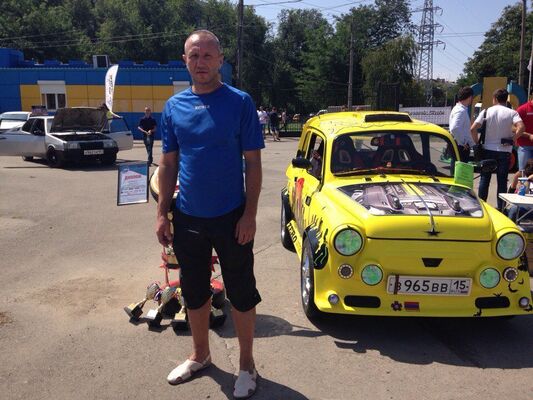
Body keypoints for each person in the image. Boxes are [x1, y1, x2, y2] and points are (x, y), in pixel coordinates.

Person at [156, 30, 264, 399]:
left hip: (231, 216)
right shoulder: (174, 107)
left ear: (220, 60)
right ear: (184, 60)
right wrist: (162, 214)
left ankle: (246, 365)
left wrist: (249, 215)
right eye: (194, 55)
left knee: (241, 292)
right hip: (188, 217)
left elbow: (253, 163)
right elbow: (168, 164)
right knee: (194, 291)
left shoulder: (240, 102)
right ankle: (200, 355)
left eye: (207, 55)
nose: (200, 62)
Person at [470, 88, 525, 210]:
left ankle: (482, 207)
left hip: (487, 149)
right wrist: (513, 139)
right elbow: (521, 127)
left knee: (485, 179)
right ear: (506, 99)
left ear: (494, 98)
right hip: (504, 151)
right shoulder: (512, 113)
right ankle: (501, 208)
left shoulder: (486, 112)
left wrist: (476, 142)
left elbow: (473, 128)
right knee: (502, 181)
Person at [449, 86, 475, 164]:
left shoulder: (458, 108)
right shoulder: (461, 111)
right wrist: (463, 142)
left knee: (456, 167)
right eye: (472, 97)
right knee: (460, 168)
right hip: (460, 146)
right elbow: (454, 128)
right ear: (469, 97)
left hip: (457, 144)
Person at [515, 91, 533, 171]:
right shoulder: (522, 109)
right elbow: (512, 127)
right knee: (524, 172)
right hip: (525, 146)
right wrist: (528, 135)